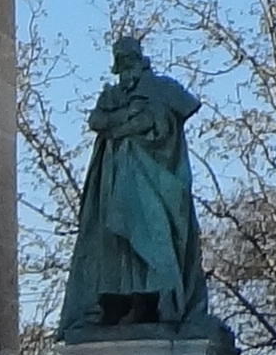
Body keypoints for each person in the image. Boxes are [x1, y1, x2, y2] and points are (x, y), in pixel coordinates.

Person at [58, 35, 212, 336]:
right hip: (115, 178)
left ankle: (157, 301)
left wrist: (122, 122)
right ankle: (121, 302)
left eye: (129, 57)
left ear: (139, 60)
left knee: (153, 236)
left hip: (154, 178)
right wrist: (126, 118)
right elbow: (97, 121)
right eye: (120, 59)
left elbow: (163, 119)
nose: (125, 64)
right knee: (116, 243)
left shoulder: (162, 89)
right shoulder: (112, 95)